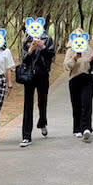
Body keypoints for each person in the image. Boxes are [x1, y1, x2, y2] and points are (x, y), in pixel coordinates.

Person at [19, 17, 56, 147]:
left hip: (42, 75)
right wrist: (31, 50)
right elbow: (24, 59)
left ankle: (42, 122)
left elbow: (51, 55)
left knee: (42, 101)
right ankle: (26, 136)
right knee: (27, 104)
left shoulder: (48, 38)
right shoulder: (26, 40)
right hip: (29, 75)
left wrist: (43, 47)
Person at [63, 28, 93, 142]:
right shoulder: (70, 51)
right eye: (76, 36)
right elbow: (66, 66)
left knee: (86, 103)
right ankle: (77, 128)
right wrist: (74, 58)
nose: (79, 38)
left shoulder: (89, 49)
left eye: (80, 36)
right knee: (76, 104)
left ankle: (87, 128)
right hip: (74, 80)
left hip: (87, 79)